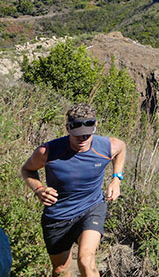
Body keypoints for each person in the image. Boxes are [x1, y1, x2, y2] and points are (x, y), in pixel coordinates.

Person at [21, 104, 126, 277]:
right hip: (58, 215)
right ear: (68, 128)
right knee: (61, 270)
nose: (83, 139)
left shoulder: (106, 146)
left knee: (86, 260)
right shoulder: (47, 151)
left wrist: (117, 179)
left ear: (95, 126)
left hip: (91, 207)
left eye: (87, 134)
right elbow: (27, 170)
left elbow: (121, 148)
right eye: (77, 134)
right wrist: (39, 189)